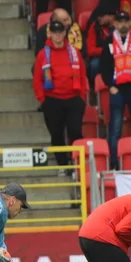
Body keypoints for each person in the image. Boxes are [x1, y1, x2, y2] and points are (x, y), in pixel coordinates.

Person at [32, 17, 88, 169]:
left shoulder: (74, 52)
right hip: (52, 99)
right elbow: (37, 79)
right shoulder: (43, 54)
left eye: (60, 32)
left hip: (73, 98)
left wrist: (82, 97)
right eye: (54, 32)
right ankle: (63, 165)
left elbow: (83, 75)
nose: (57, 35)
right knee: (56, 134)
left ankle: (77, 165)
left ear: (65, 33)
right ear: (50, 34)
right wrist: (42, 99)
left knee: (75, 131)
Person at [100, 11, 131, 170]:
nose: (123, 24)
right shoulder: (108, 41)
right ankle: (115, 164)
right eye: (120, 21)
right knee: (115, 128)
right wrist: (110, 85)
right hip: (118, 90)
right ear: (115, 24)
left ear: (130, 23)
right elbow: (105, 66)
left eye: (126, 21)